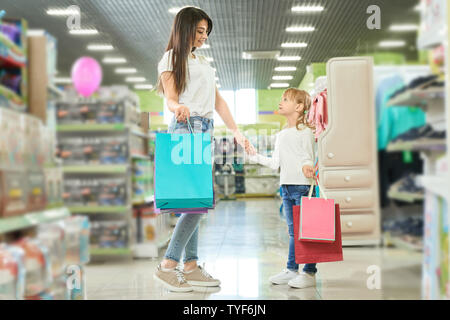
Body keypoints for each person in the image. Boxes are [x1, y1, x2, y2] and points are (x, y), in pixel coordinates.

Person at [154, 6, 255, 292]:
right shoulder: (171, 58)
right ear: (184, 28)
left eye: (205, 33)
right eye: (199, 31)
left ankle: (191, 265)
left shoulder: (202, 62)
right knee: (198, 202)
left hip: (205, 129)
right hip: (186, 127)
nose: (203, 37)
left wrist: (237, 132)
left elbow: (219, 102)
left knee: (195, 200)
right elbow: (171, 99)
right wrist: (179, 107)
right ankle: (169, 265)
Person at [246, 88, 318, 289]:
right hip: (286, 187)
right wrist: (254, 155)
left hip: (303, 187)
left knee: (307, 232)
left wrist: (306, 165)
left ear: (299, 107)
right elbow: (275, 163)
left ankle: (309, 272)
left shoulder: (305, 132)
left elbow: (308, 156)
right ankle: (292, 269)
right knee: (293, 232)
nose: (281, 102)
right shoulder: (281, 134)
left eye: (285, 99)